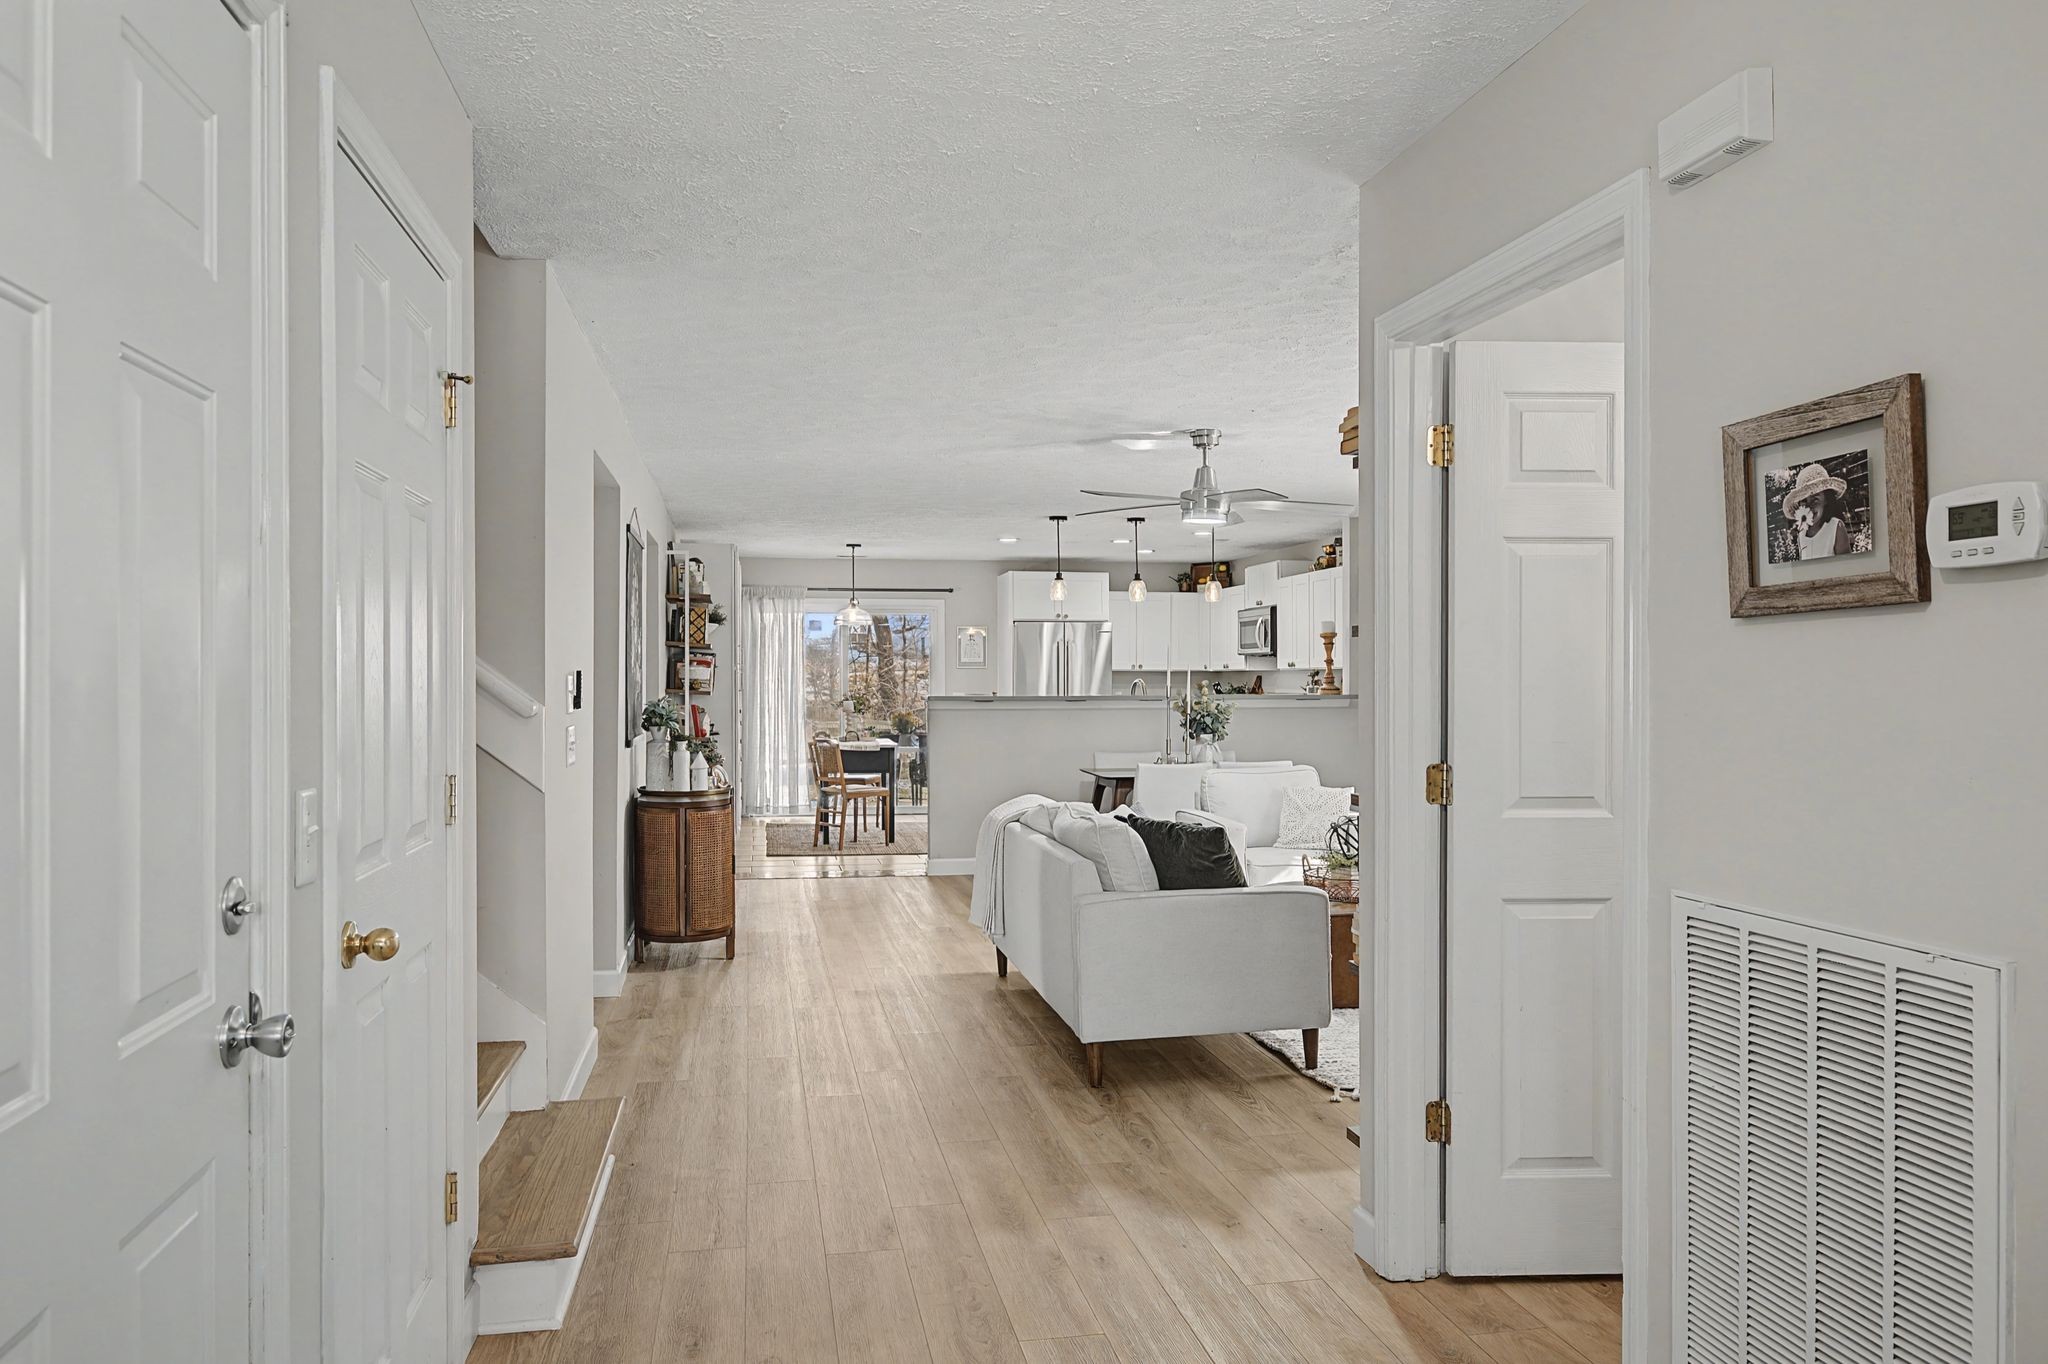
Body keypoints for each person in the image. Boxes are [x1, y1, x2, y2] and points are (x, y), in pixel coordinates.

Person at [1780, 462, 1853, 559]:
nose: (1809, 507)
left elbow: (1847, 565)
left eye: (1815, 500)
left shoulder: (1836, 527)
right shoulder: (1801, 534)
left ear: (1826, 500)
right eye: (1804, 501)